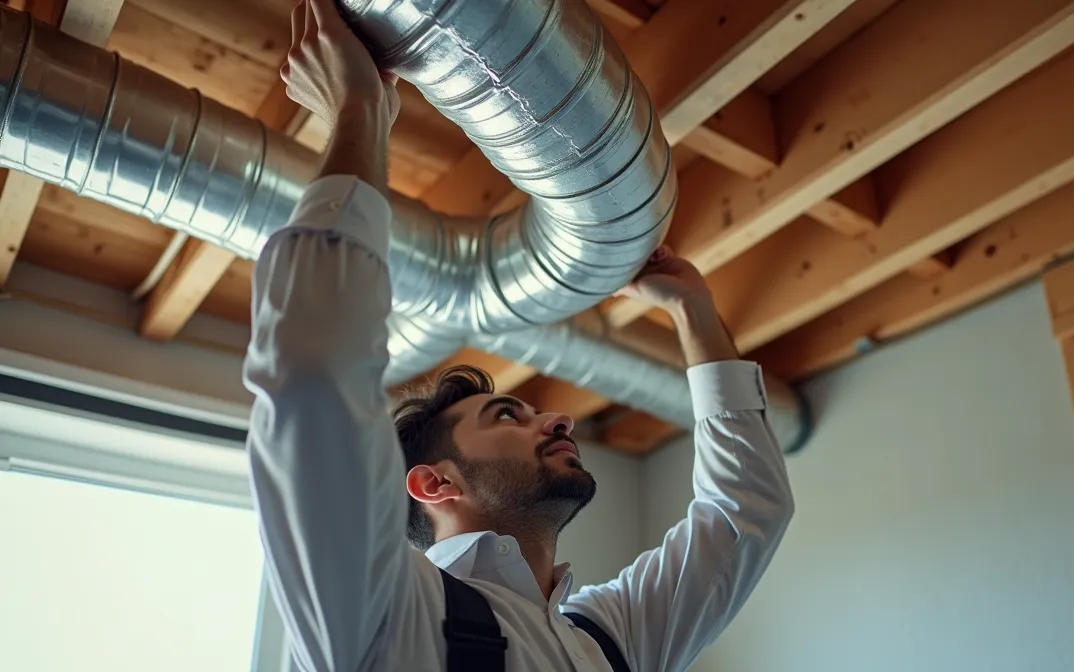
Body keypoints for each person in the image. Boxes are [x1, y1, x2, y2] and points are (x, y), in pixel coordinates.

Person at [244, 1, 794, 669]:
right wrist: (358, 111)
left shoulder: (609, 638)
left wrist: (694, 313)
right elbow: (309, 374)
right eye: (510, 414)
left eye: (520, 412)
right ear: (432, 485)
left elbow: (745, 512)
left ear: (434, 483)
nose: (559, 418)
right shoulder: (385, 611)